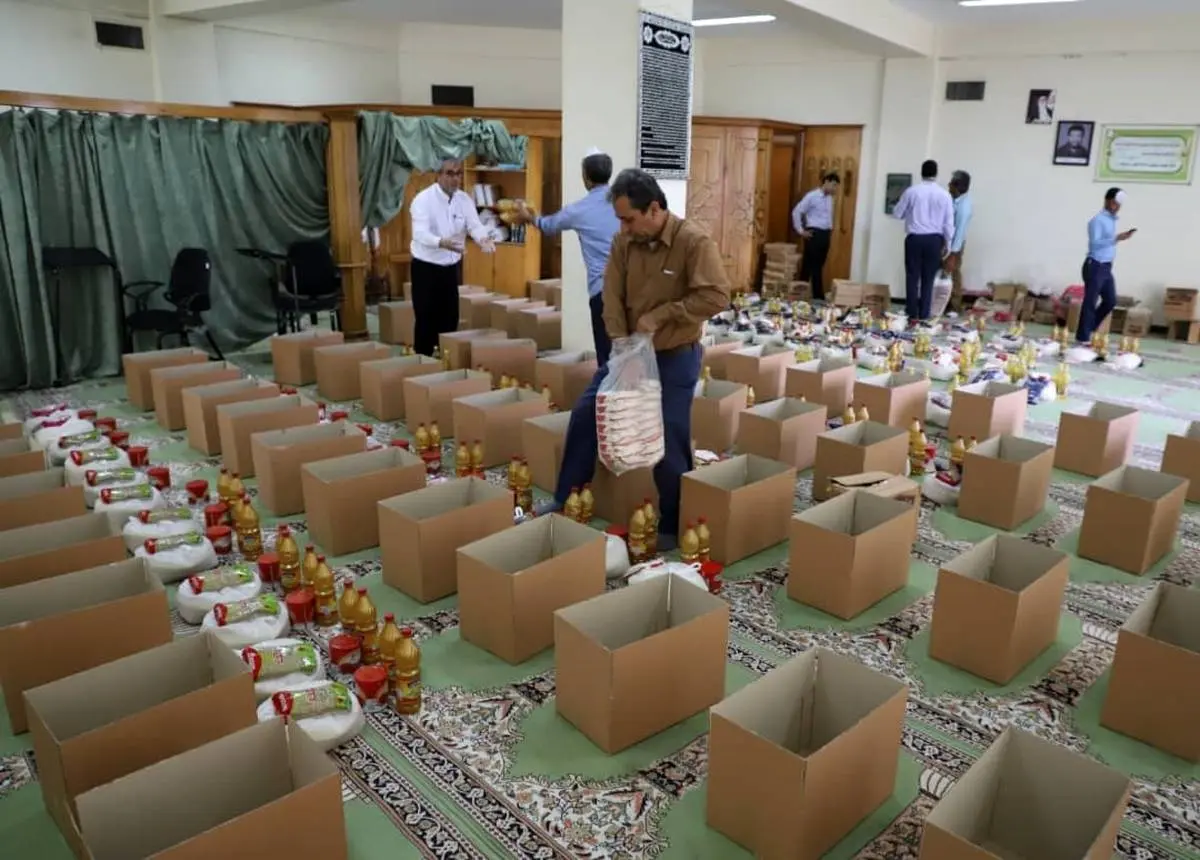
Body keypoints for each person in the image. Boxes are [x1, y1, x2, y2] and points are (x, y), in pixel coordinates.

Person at [534, 168, 730, 549]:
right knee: (587, 412)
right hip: (628, 353)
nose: (622, 228)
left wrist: (661, 316)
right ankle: (566, 496)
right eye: (619, 219)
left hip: (674, 356)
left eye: (628, 218)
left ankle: (672, 521)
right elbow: (611, 296)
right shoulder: (624, 243)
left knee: (669, 436)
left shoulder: (693, 242)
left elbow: (716, 296)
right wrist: (622, 345)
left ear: (654, 209)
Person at [514, 151, 620, 365]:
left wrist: (529, 217)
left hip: (603, 292)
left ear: (586, 178)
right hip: (632, 291)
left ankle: (609, 397)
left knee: (606, 358)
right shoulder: (625, 204)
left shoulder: (579, 210)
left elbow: (549, 225)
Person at [408, 159, 495, 356]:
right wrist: (442, 242)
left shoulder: (464, 199)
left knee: (450, 317)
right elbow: (419, 234)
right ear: (438, 175)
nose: (455, 178)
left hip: (450, 267)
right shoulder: (423, 200)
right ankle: (423, 361)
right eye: (449, 173)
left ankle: (446, 360)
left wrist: (483, 238)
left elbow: (474, 224)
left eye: (458, 173)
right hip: (426, 267)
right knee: (425, 318)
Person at [892, 160, 954, 322]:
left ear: (922, 172)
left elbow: (897, 214)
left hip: (915, 238)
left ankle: (912, 312)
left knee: (912, 276)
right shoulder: (944, 195)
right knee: (928, 277)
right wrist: (948, 243)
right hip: (935, 240)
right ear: (936, 173)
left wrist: (911, 214)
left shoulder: (912, 192)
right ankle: (925, 312)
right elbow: (948, 222)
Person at [1079, 188, 1136, 350]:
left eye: (1118, 204)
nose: (1116, 206)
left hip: (1106, 266)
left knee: (1110, 301)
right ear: (1107, 200)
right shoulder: (1097, 220)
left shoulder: (1111, 220)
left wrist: (1118, 238)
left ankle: (1089, 328)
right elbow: (1095, 244)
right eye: (1114, 203)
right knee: (1090, 302)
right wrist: (1116, 238)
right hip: (1095, 264)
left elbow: (1108, 242)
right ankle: (1083, 337)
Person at [792, 172, 839, 301]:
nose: (835, 189)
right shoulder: (812, 196)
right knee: (816, 266)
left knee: (809, 265)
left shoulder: (830, 198)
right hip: (814, 233)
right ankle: (819, 297)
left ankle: (799, 293)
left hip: (825, 234)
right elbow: (797, 211)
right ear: (826, 182)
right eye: (834, 185)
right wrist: (800, 230)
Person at [944, 170, 973, 313]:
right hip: (945, 241)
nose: (948, 185)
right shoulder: (952, 199)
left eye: (951, 183)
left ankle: (954, 306)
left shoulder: (964, 207)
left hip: (955, 245)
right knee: (943, 272)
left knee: (954, 272)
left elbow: (959, 232)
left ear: (958, 187)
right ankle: (942, 302)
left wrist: (953, 255)